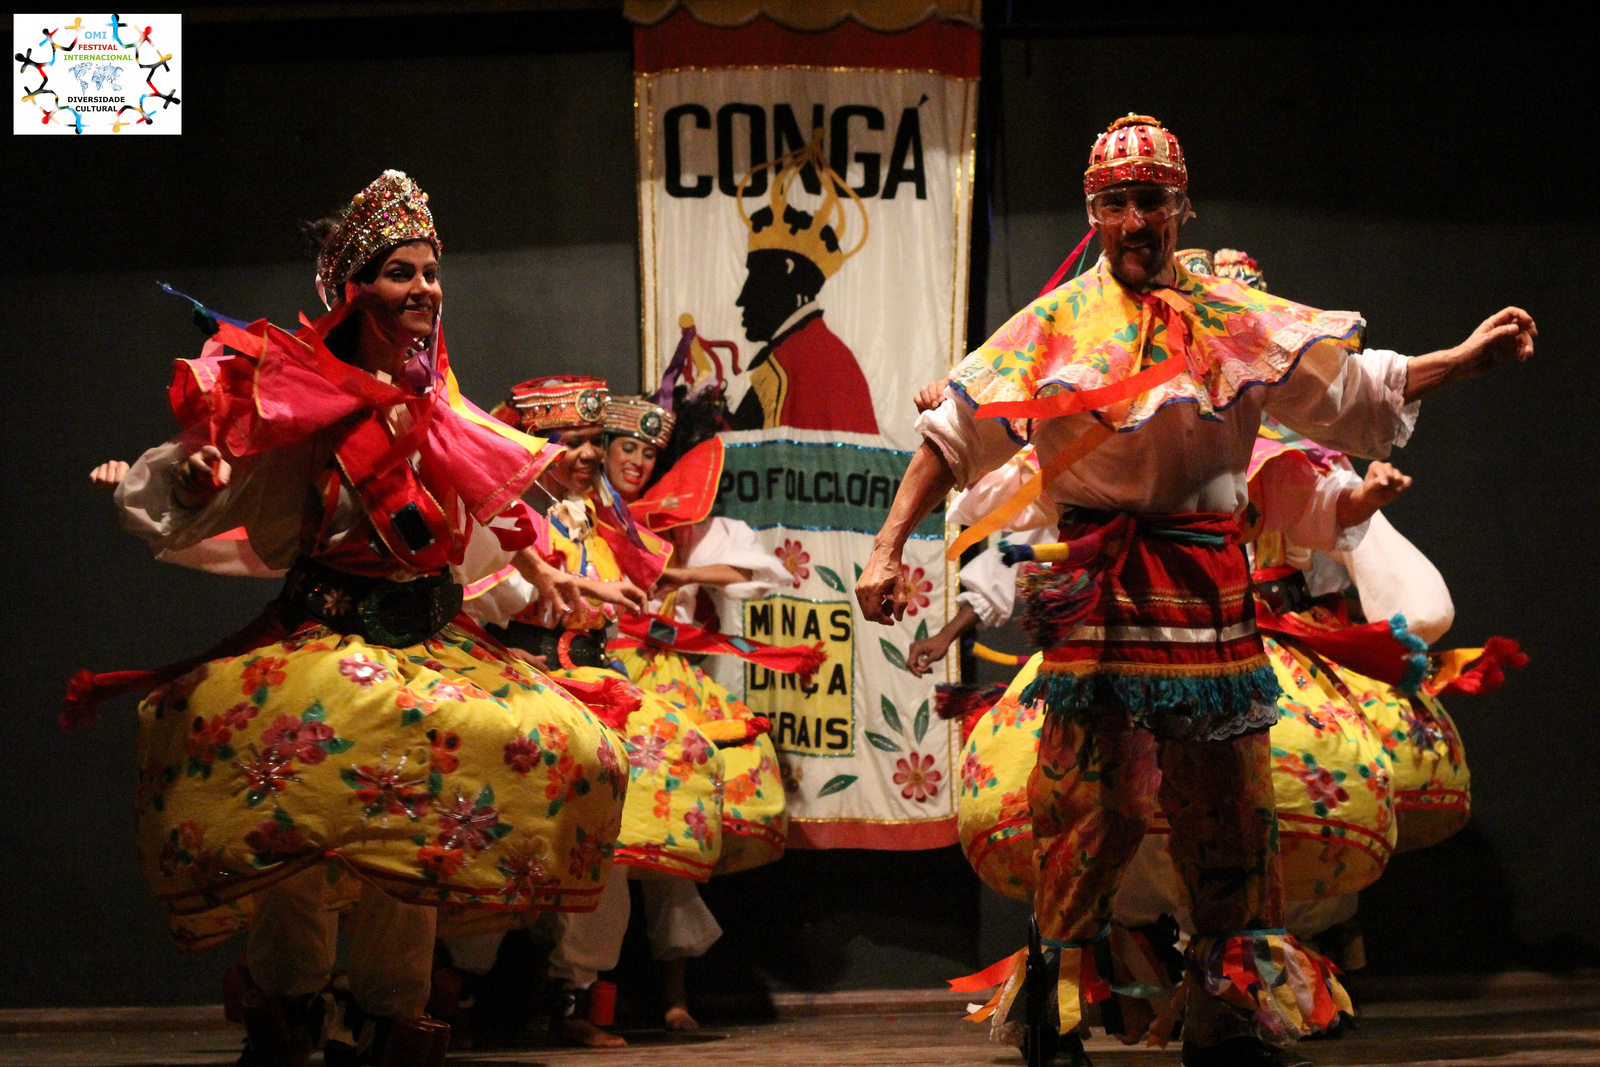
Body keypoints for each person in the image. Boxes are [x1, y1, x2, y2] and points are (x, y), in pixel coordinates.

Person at [856, 115, 1535, 1067]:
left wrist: (1462, 360)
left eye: (1155, 201)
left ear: (1183, 206)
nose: (1139, 219)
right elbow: (955, 437)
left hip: (1210, 585)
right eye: (1120, 203)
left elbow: (1349, 396)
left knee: (1232, 803)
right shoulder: (1050, 327)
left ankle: (1226, 1004)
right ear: (1095, 213)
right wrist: (889, 547)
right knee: (1094, 801)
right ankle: (1055, 994)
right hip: (1102, 586)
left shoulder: (1232, 320)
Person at [75, 170, 637, 1067]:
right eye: (401, 272)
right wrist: (187, 483)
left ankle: (389, 1019)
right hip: (328, 640)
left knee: (414, 844)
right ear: (354, 288)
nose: (425, 288)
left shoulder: (437, 409)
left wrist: (548, 572)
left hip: (426, 649)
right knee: (296, 827)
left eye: (430, 270)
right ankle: (291, 1009)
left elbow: (476, 528)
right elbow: (232, 487)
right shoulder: (307, 399)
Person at [465, 375, 727, 1048]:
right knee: (496, 831)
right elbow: (481, 591)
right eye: (570, 442)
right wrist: (571, 585)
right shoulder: (507, 517)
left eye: (590, 441)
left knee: (607, 837)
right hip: (521, 675)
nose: (585, 454)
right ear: (536, 444)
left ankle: (572, 996)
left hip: (589, 679)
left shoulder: (598, 518)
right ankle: (453, 988)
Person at [603, 393, 791, 1029]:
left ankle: (674, 994)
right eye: (626, 447)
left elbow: (763, 572)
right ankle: (576, 996)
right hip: (601, 679)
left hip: (667, 682)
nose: (637, 461)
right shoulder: (585, 514)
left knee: (670, 833)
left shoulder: (683, 522)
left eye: (650, 452)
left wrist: (685, 577)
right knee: (599, 834)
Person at [725, 131, 878, 435]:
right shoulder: (824, 353)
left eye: (755, 279)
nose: (742, 299)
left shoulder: (790, 365)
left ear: (787, 271)